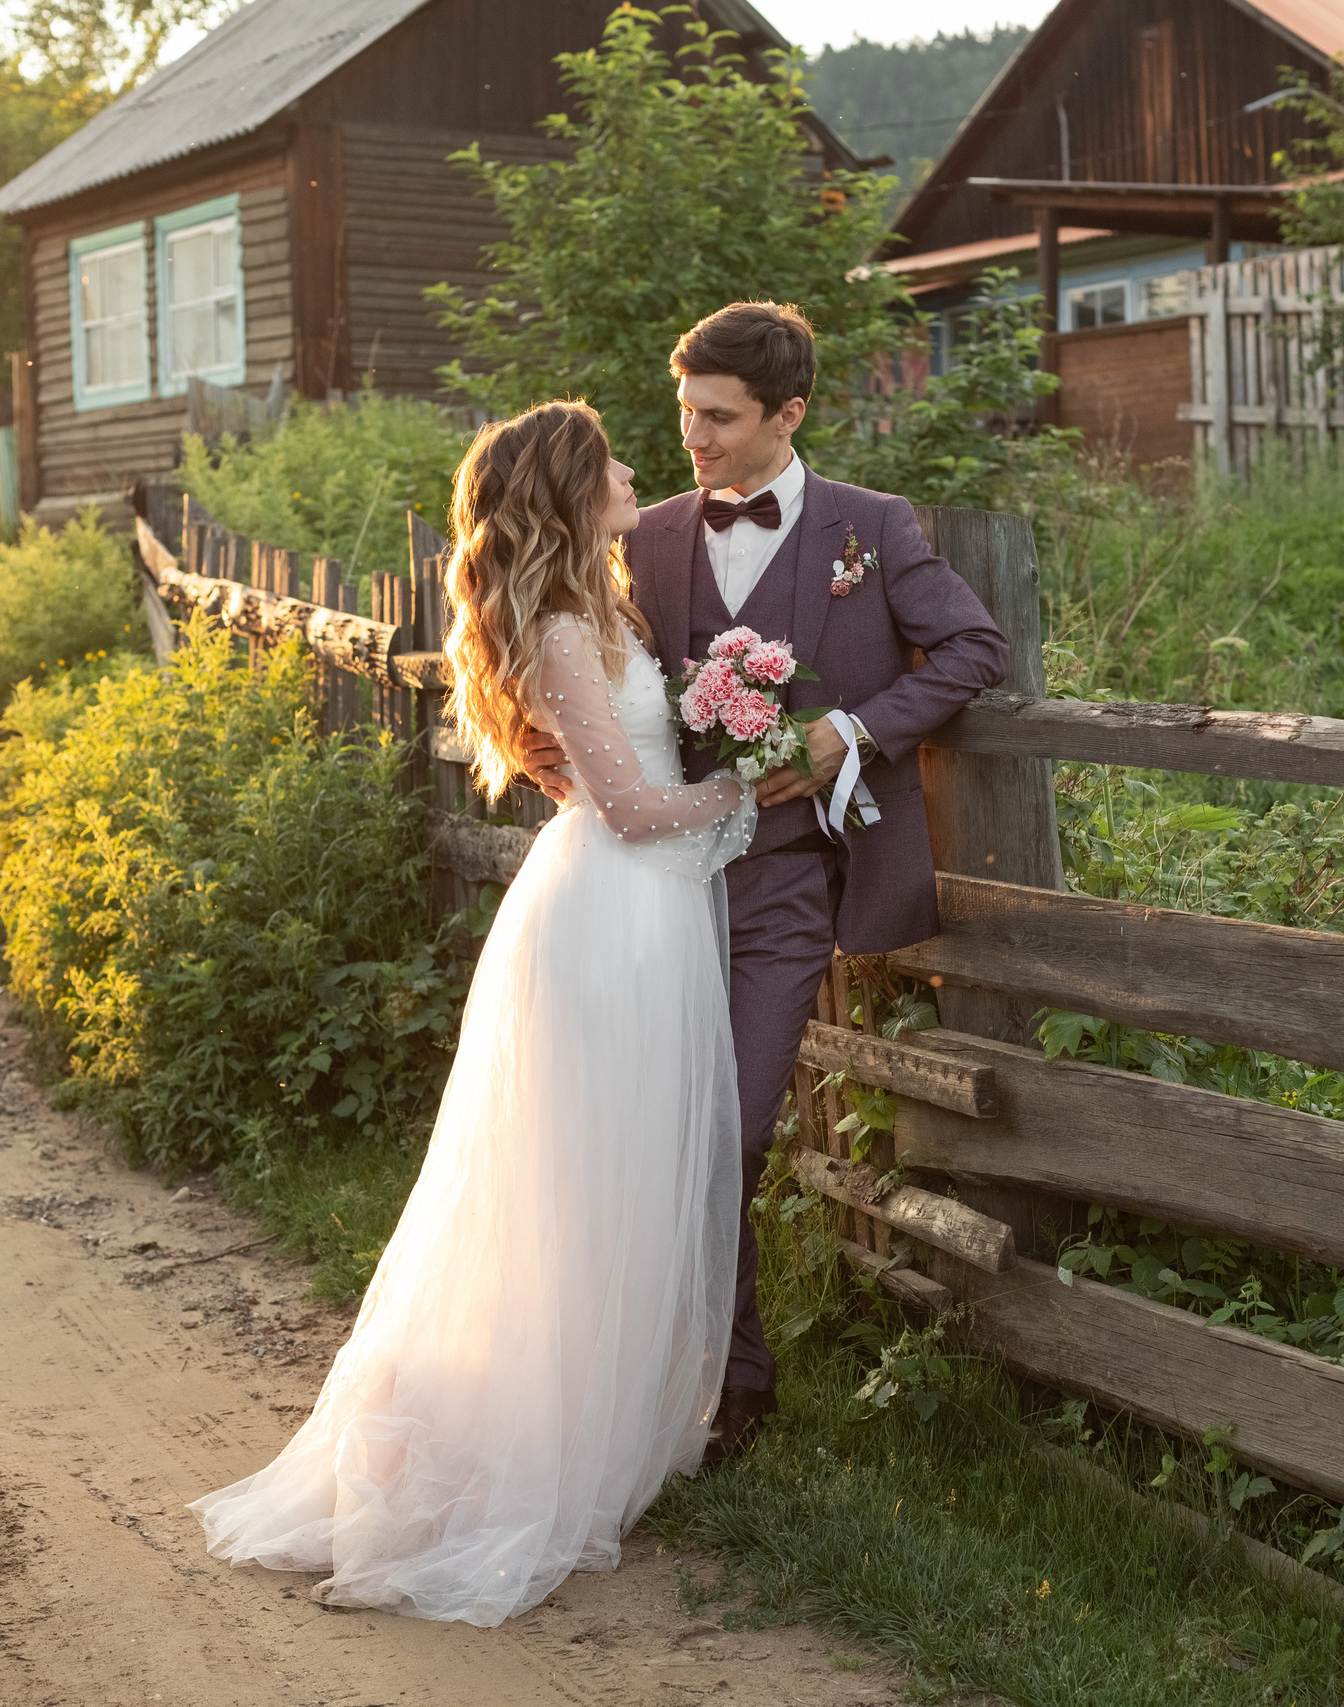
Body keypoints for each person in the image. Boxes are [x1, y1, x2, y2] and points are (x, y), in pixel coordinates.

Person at [189, 401, 756, 1626]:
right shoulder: (558, 630)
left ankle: (597, 1429)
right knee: (570, 1198)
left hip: (652, 915)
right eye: (609, 461)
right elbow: (628, 809)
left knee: (621, 1189)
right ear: (565, 490)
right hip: (611, 918)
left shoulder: (606, 609)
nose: (634, 471)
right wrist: (759, 784)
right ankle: (495, 1461)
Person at [526, 302, 1009, 1463]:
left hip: (786, 886)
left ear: (788, 415)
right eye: (684, 412)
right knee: (663, 1136)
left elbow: (974, 649)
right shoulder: (642, 537)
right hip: (655, 892)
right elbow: (562, 667)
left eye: (720, 418)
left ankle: (714, 1373)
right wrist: (557, 763)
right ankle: (720, 1383)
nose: (693, 437)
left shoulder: (870, 528)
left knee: (728, 1131)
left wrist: (850, 730)